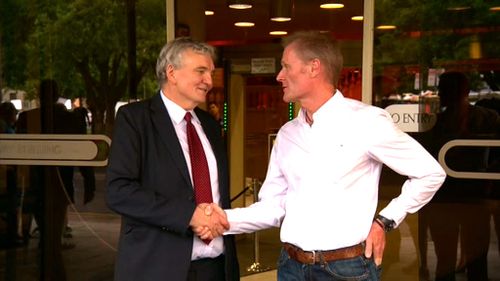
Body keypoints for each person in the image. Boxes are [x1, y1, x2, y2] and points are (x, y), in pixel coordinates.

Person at [199, 31, 446, 280]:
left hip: (346, 270)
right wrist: (223, 218)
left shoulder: (367, 122)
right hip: (291, 267)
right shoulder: (287, 134)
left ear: (314, 67)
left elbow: (430, 173)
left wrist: (385, 221)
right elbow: (273, 207)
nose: (279, 76)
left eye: (286, 66)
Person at [105, 37, 239, 281]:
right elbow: (119, 191)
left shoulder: (209, 125)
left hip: (217, 268)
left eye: (210, 72)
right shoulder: (135, 119)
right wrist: (188, 215)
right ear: (172, 73)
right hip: (158, 268)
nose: (209, 81)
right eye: (200, 71)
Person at [420, 71, 500, 281]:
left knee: (473, 260)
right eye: (443, 89)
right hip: (448, 198)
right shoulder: (435, 122)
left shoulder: (487, 118)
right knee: (447, 260)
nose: (443, 94)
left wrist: (490, 180)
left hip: (472, 196)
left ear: (463, 91)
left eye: (447, 89)